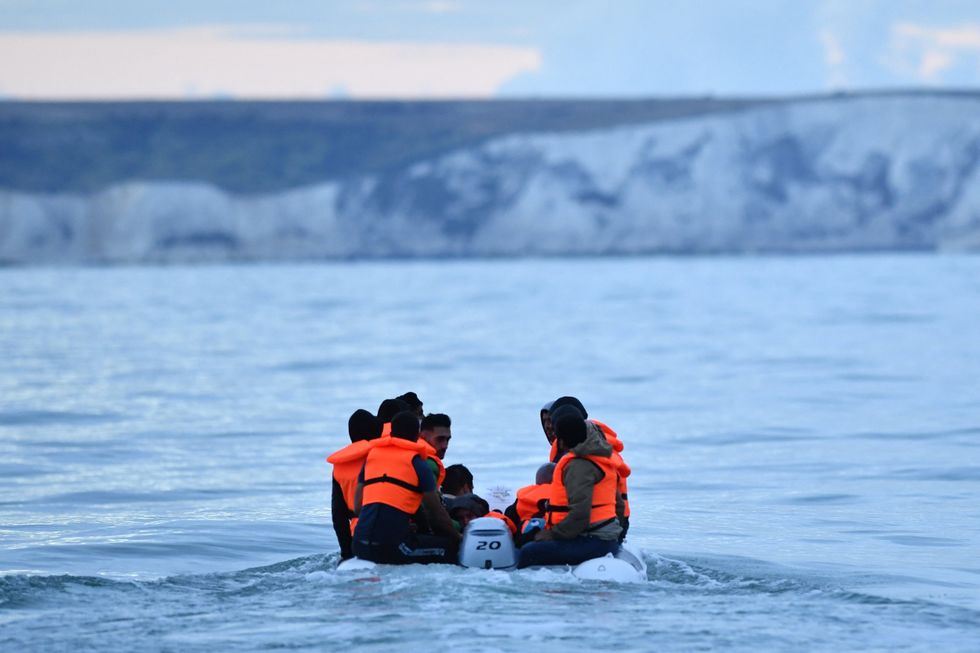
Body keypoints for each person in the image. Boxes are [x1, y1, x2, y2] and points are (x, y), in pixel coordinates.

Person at [352, 411, 461, 564]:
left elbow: (357, 508)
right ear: (418, 436)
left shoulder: (371, 458)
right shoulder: (418, 463)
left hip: (359, 544)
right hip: (392, 547)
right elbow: (435, 515)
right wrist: (459, 538)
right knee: (449, 548)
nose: (445, 445)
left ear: (391, 433)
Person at [517, 413, 623, 568]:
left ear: (561, 440)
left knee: (528, 552)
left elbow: (580, 515)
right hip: (605, 539)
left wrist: (552, 534)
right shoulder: (600, 459)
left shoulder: (578, 466)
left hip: (593, 540)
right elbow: (619, 505)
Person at [326, 409, 382, 560]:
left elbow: (338, 515)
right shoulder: (381, 457)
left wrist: (346, 553)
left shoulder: (339, 465)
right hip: (383, 533)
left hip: (356, 536)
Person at [504, 462, 555, 543]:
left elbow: (510, 525)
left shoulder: (522, 499)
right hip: (553, 538)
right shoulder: (564, 496)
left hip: (527, 542)